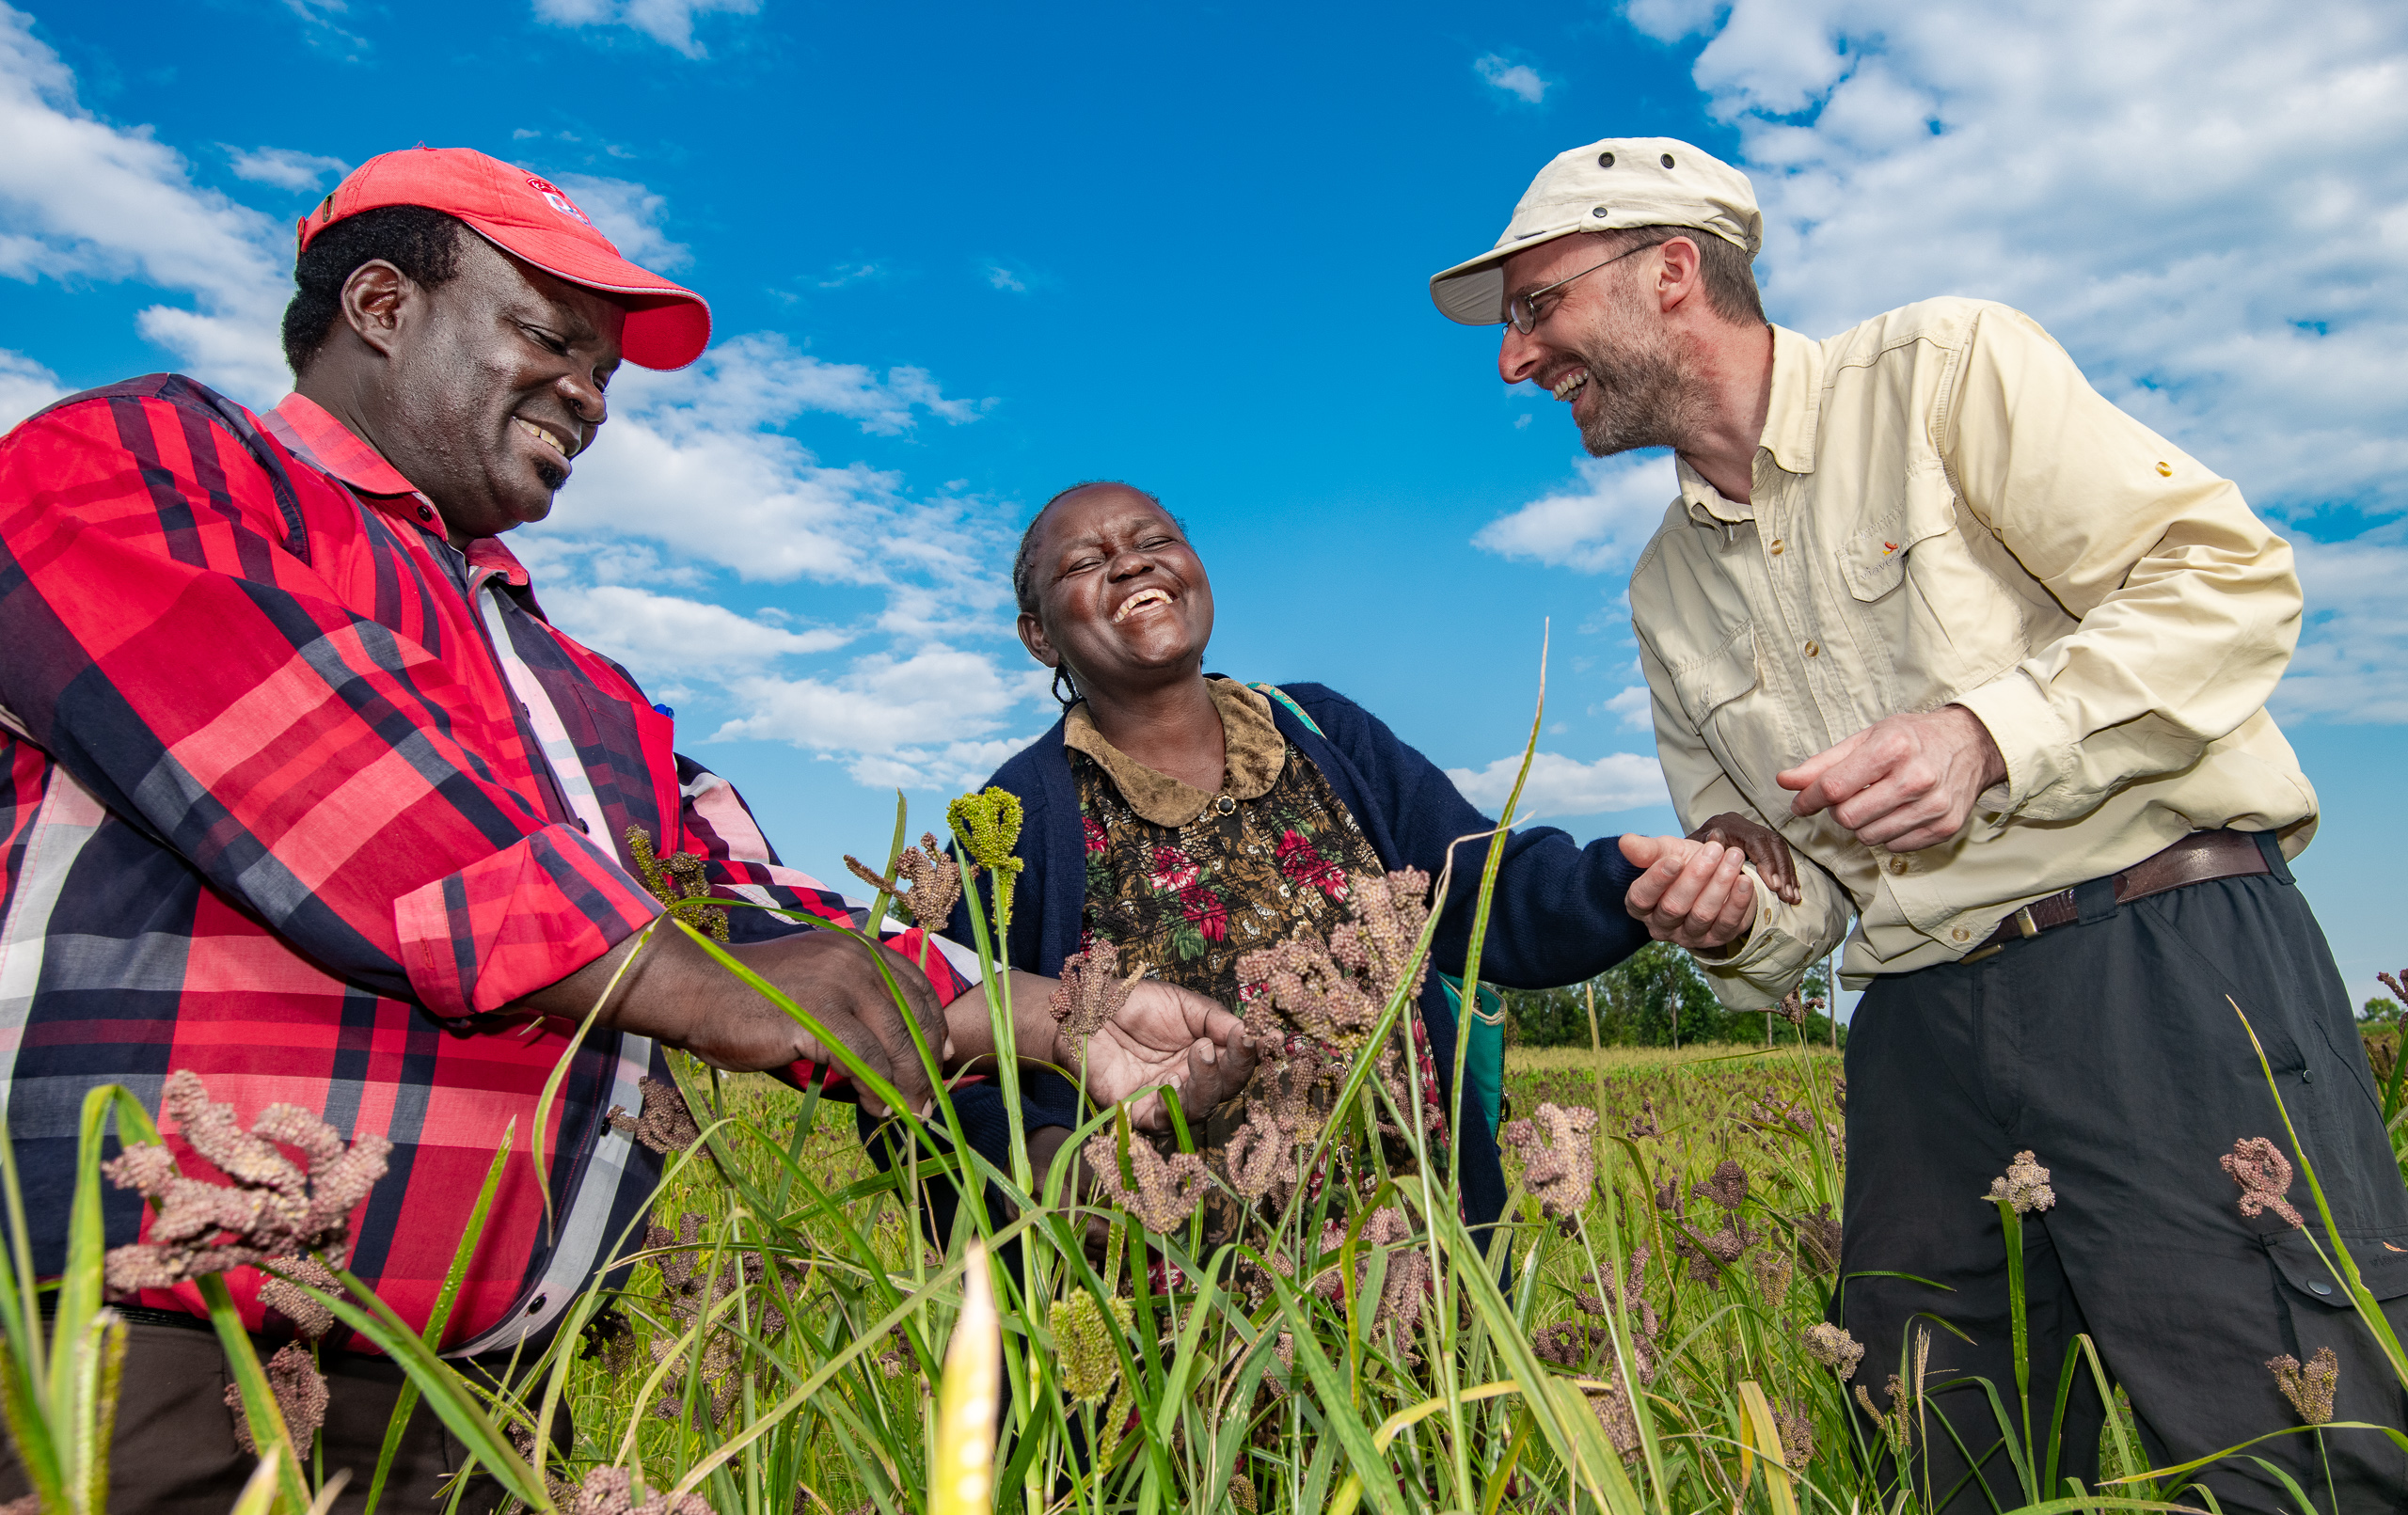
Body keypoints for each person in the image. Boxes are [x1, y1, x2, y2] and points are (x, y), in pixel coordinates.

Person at [0, 147, 1228, 1514]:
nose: (590, 393)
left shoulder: (581, 692)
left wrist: (1059, 1016)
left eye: (604, 370)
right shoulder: (145, 463)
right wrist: (688, 976)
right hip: (159, 1358)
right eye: (548, 338)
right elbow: (322, 776)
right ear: (383, 305)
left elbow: (748, 904)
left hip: (490, 1399)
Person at [1429, 134, 2408, 1508]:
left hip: (2161, 957)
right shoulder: (1664, 589)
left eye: (1538, 307)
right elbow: (1790, 885)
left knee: (2287, 1444)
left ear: (1669, 271)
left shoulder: (1945, 369)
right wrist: (1728, 914)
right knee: (1935, 1458)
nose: (1514, 358)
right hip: (1913, 1033)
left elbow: (2227, 580)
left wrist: (1985, 734)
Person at [880, 479, 1792, 1252]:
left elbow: (1481, 887)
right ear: (1038, 635)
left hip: (1412, 1264)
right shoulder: (1015, 819)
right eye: (1085, 561)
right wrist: (1059, 1173)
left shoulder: (1320, 732)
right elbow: (924, 1047)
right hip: (1172, 1306)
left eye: (1155, 541)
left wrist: (1637, 881)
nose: (1131, 564)